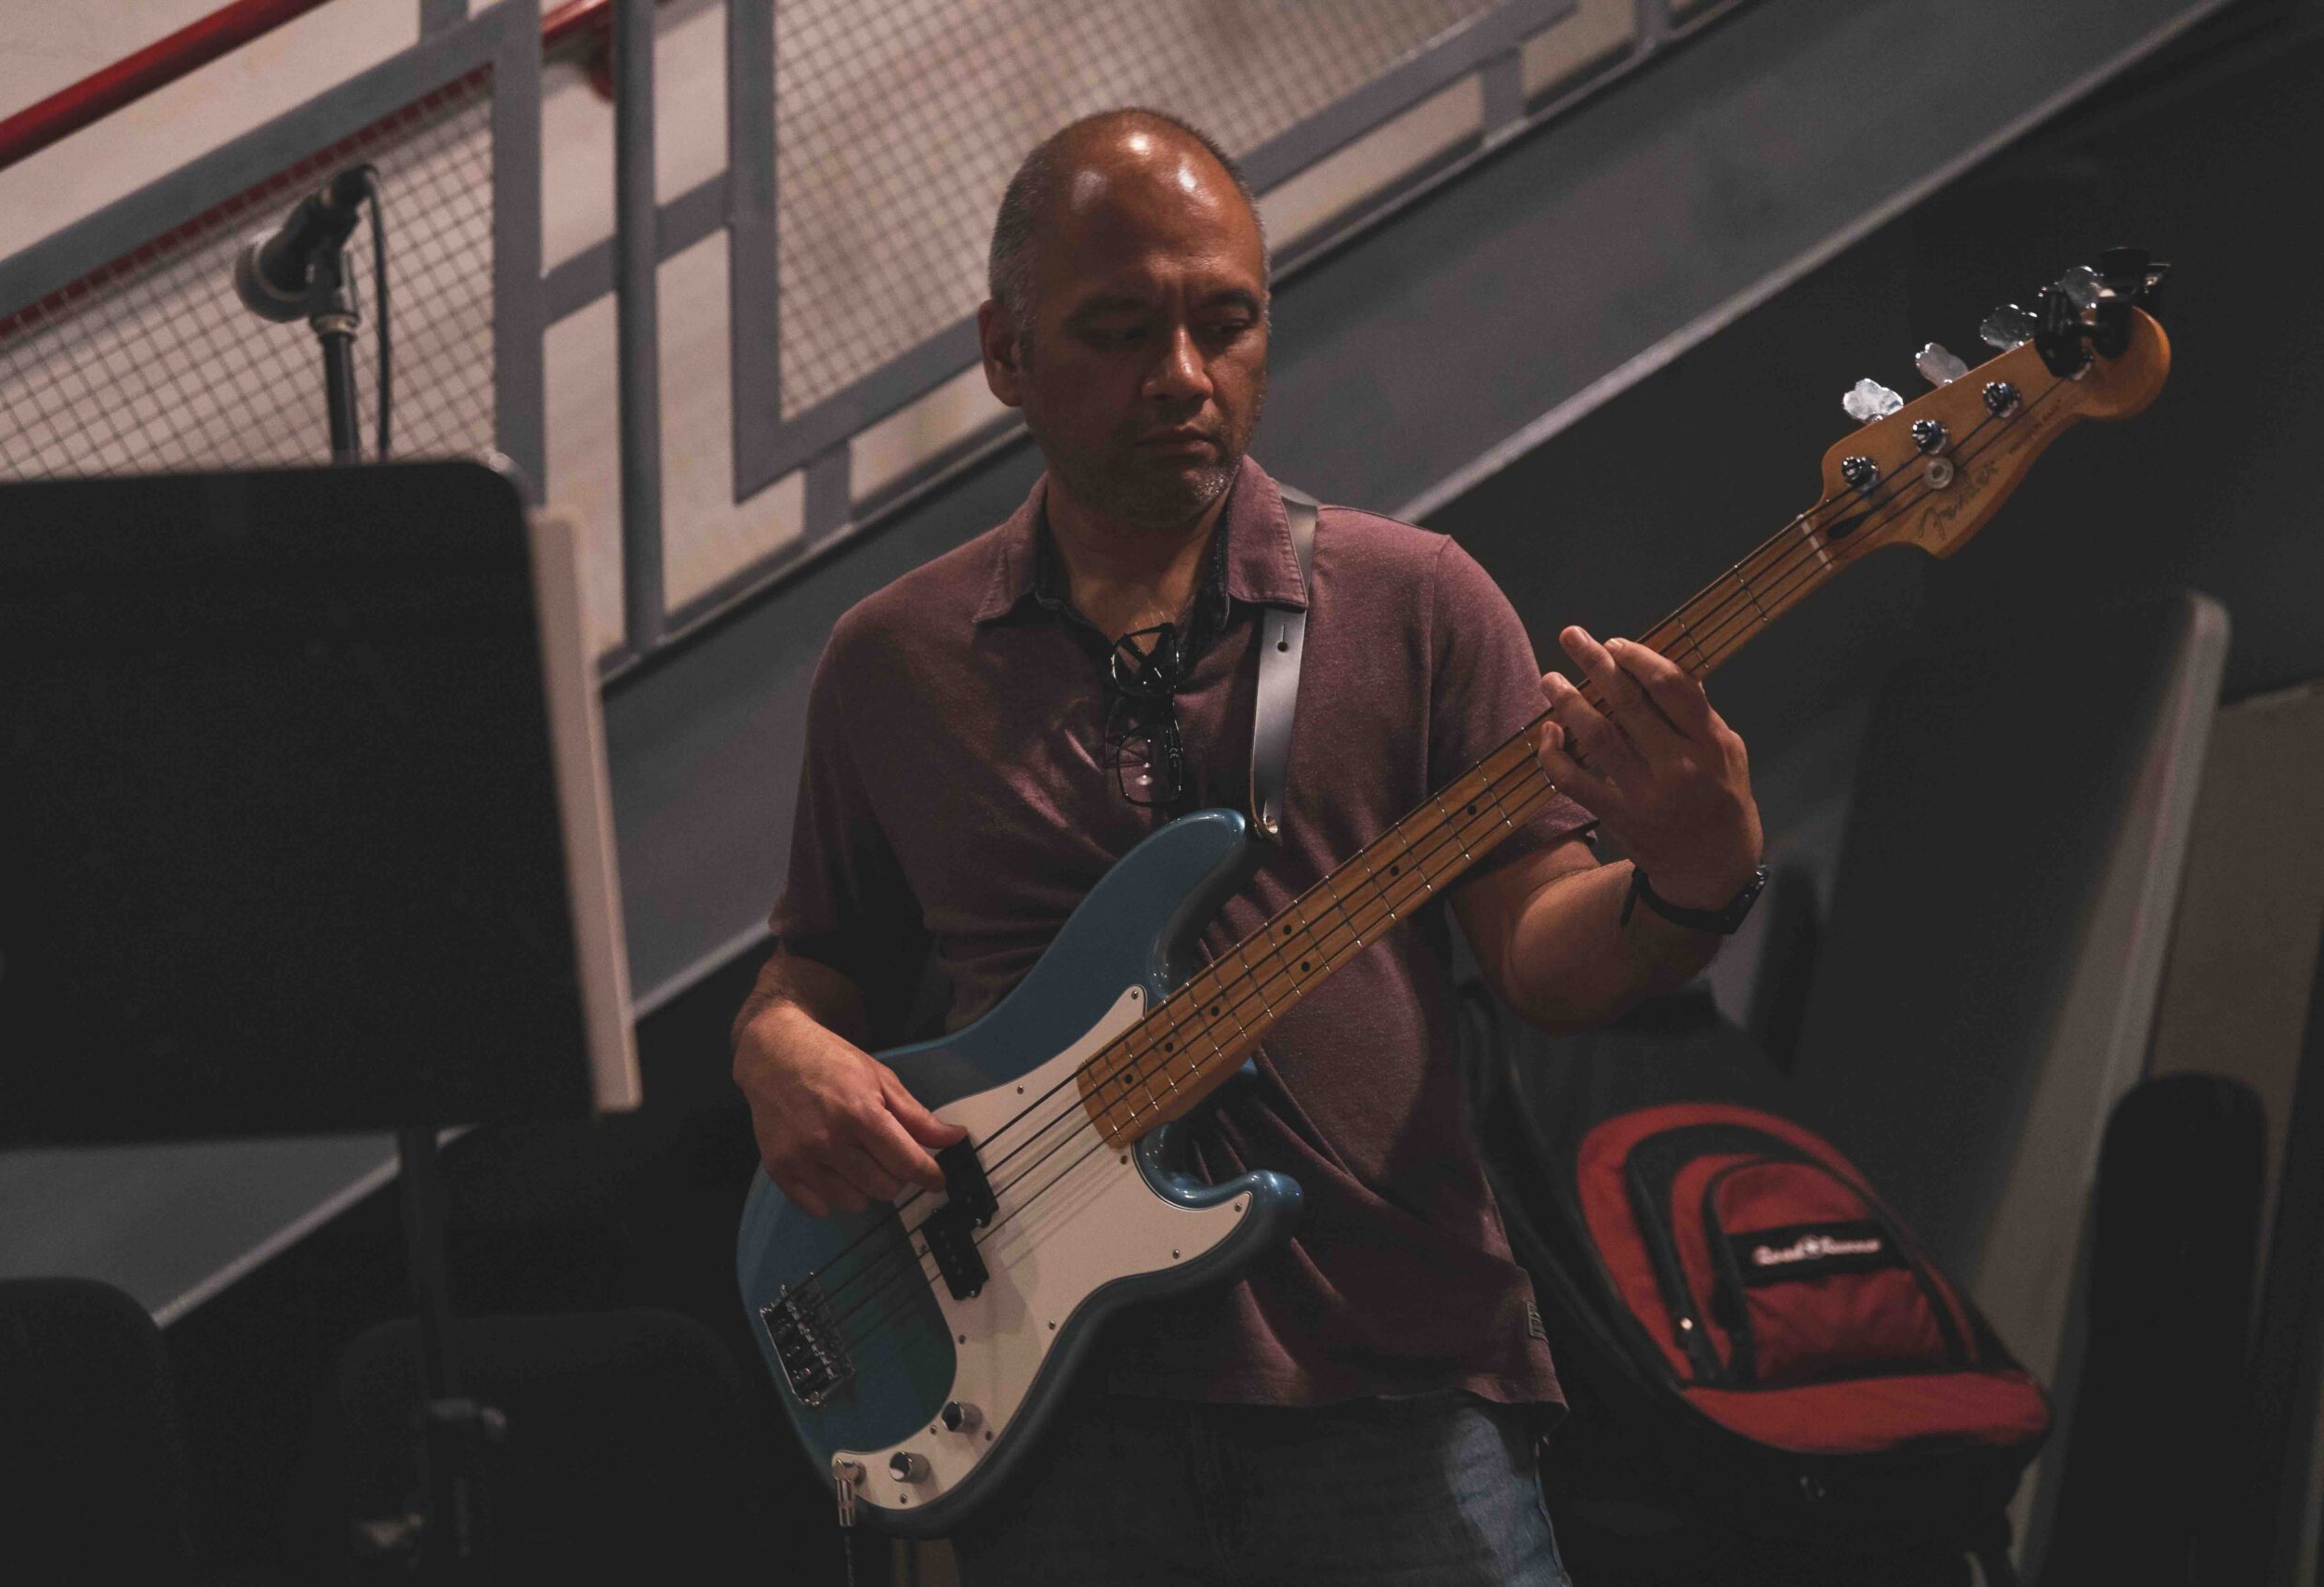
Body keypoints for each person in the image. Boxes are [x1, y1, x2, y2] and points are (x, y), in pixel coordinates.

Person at [731, 107, 1764, 1586]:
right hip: (1051, 1421)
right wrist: (778, 1051)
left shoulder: (1416, 602)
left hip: (1399, 1392)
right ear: (1003, 353)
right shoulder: (893, 663)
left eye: (1228, 324)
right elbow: (816, 966)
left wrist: (1693, 875)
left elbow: (1543, 954)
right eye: (1117, 329)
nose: (1184, 378)